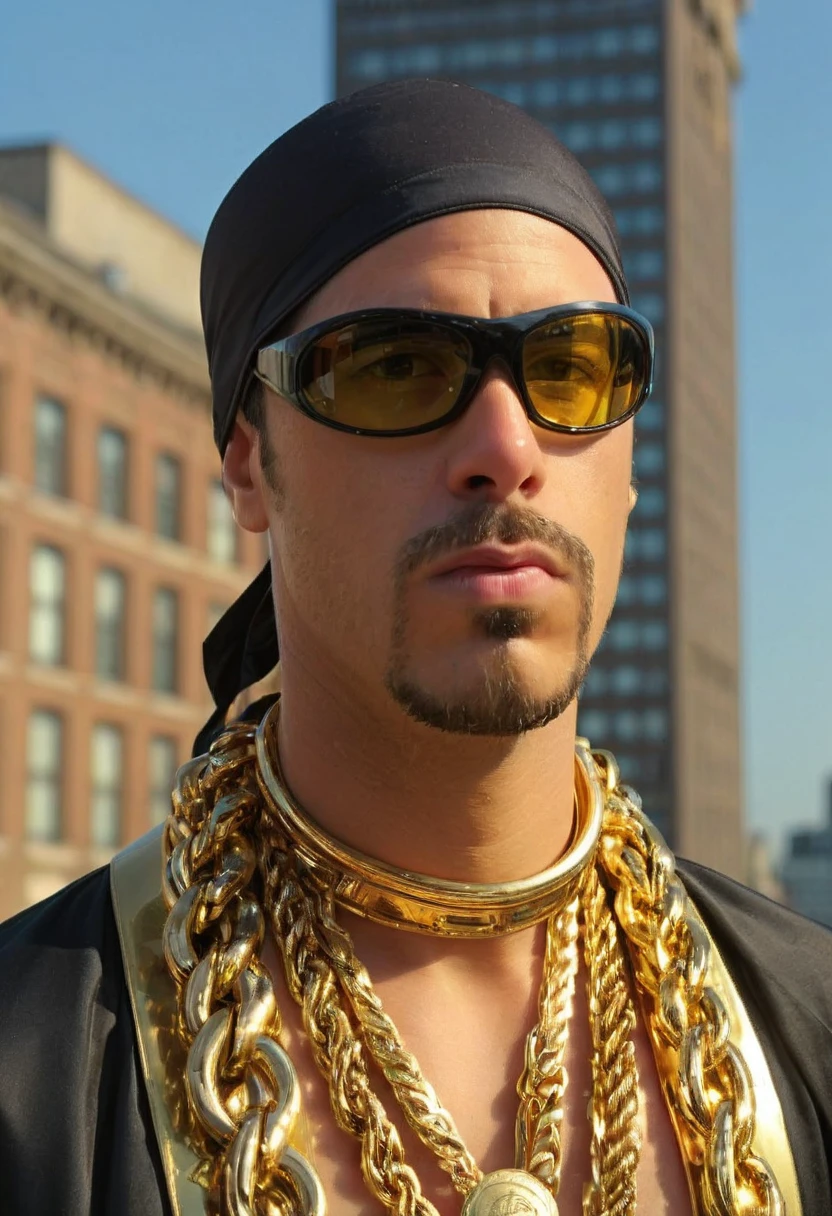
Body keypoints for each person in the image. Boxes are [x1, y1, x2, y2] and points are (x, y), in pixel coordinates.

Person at [0, 79, 830, 1216]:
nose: (506, 444)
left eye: (573, 368)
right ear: (248, 462)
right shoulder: (29, 1069)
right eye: (395, 367)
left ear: (629, 461)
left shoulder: (808, 1025)